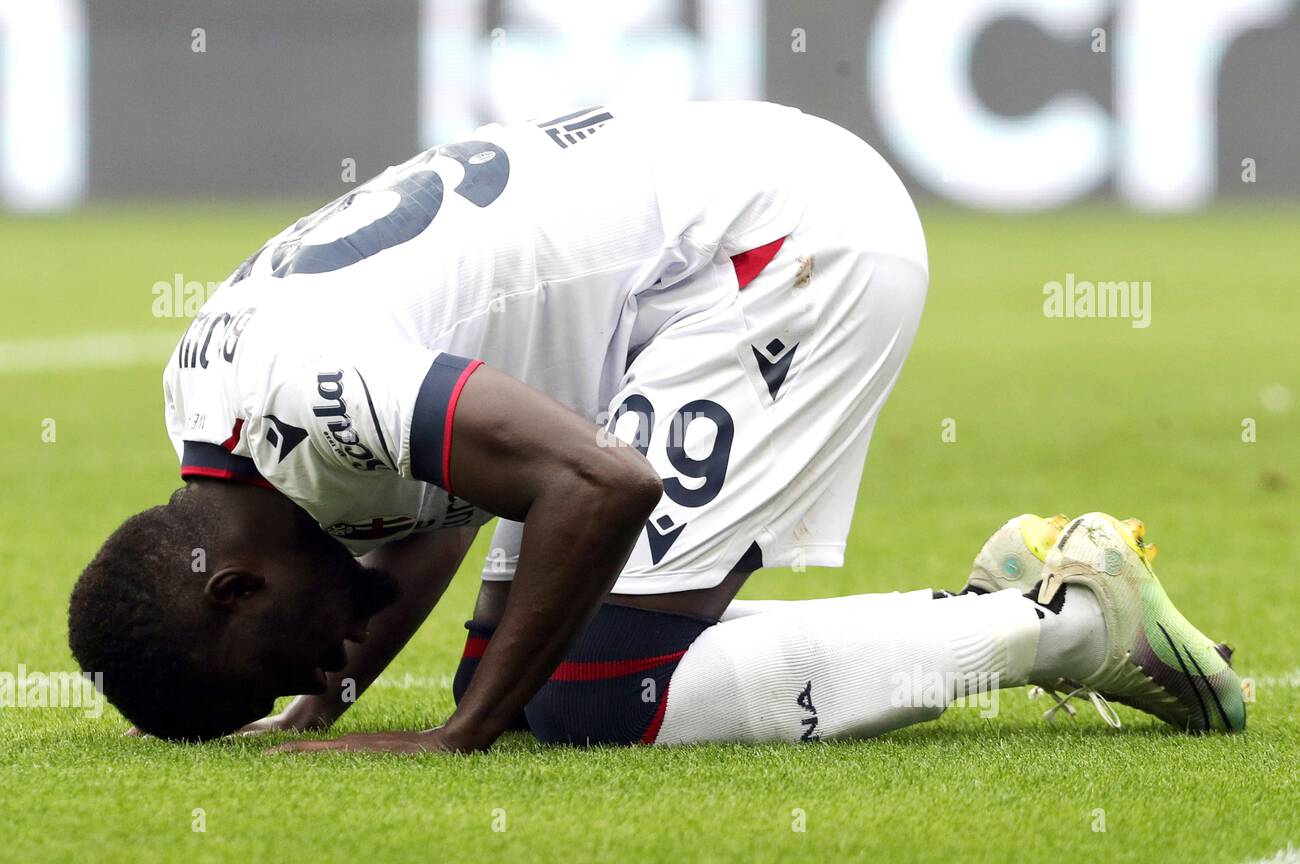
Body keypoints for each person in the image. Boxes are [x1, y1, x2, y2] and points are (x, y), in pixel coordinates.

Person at [68, 102, 1243, 750]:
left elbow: (601, 482)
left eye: (293, 659)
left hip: (776, 245)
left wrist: (457, 733)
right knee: (538, 670)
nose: (329, 663)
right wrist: (334, 695)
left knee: (589, 696)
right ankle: (1029, 597)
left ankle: (1064, 616)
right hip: (691, 242)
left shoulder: (307, 388)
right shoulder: (215, 402)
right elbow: (433, 497)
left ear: (236, 587)